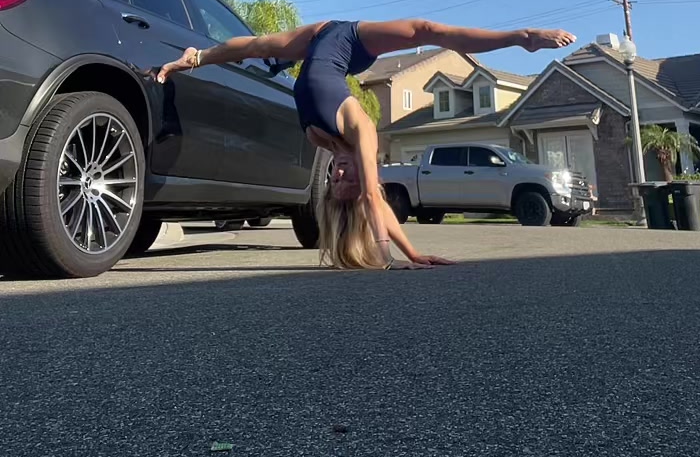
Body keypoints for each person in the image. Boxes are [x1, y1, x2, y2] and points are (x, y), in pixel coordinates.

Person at [157, 18, 576, 270]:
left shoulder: (317, 136)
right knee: (429, 31)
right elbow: (374, 199)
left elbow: (367, 198)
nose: (338, 173)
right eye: (348, 179)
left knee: (258, 45)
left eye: (335, 180)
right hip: (353, 42)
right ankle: (522, 37)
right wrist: (400, 255)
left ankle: (195, 56)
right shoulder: (361, 129)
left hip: (320, 38)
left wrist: (196, 60)